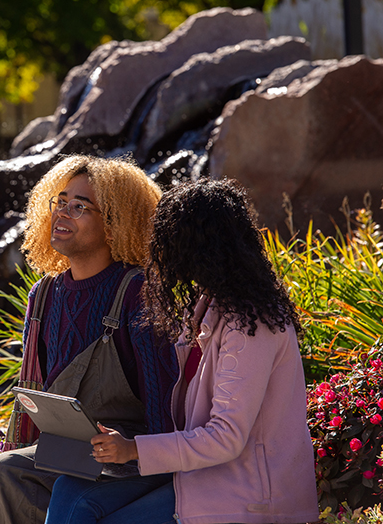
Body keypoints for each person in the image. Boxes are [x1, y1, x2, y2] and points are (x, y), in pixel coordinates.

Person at [45, 178, 320, 524]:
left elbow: (226, 438)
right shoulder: (207, 309)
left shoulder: (252, 325)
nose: (158, 251)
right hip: (196, 476)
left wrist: (132, 449)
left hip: (247, 498)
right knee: (71, 492)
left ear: (197, 246)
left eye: (168, 240)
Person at [0, 155, 179, 524]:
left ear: (115, 222)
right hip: (66, 455)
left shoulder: (138, 291)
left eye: (80, 206)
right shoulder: (44, 295)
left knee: (8, 473)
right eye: (60, 202)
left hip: (127, 461)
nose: (63, 213)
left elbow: (165, 406)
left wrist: (134, 451)